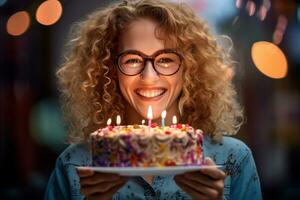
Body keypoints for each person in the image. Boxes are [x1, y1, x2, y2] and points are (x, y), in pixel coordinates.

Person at [45, 0, 262, 199]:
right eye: (132, 60)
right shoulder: (74, 165)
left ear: (190, 67)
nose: (149, 77)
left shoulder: (233, 159)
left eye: (166, 59)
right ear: (111, 69)